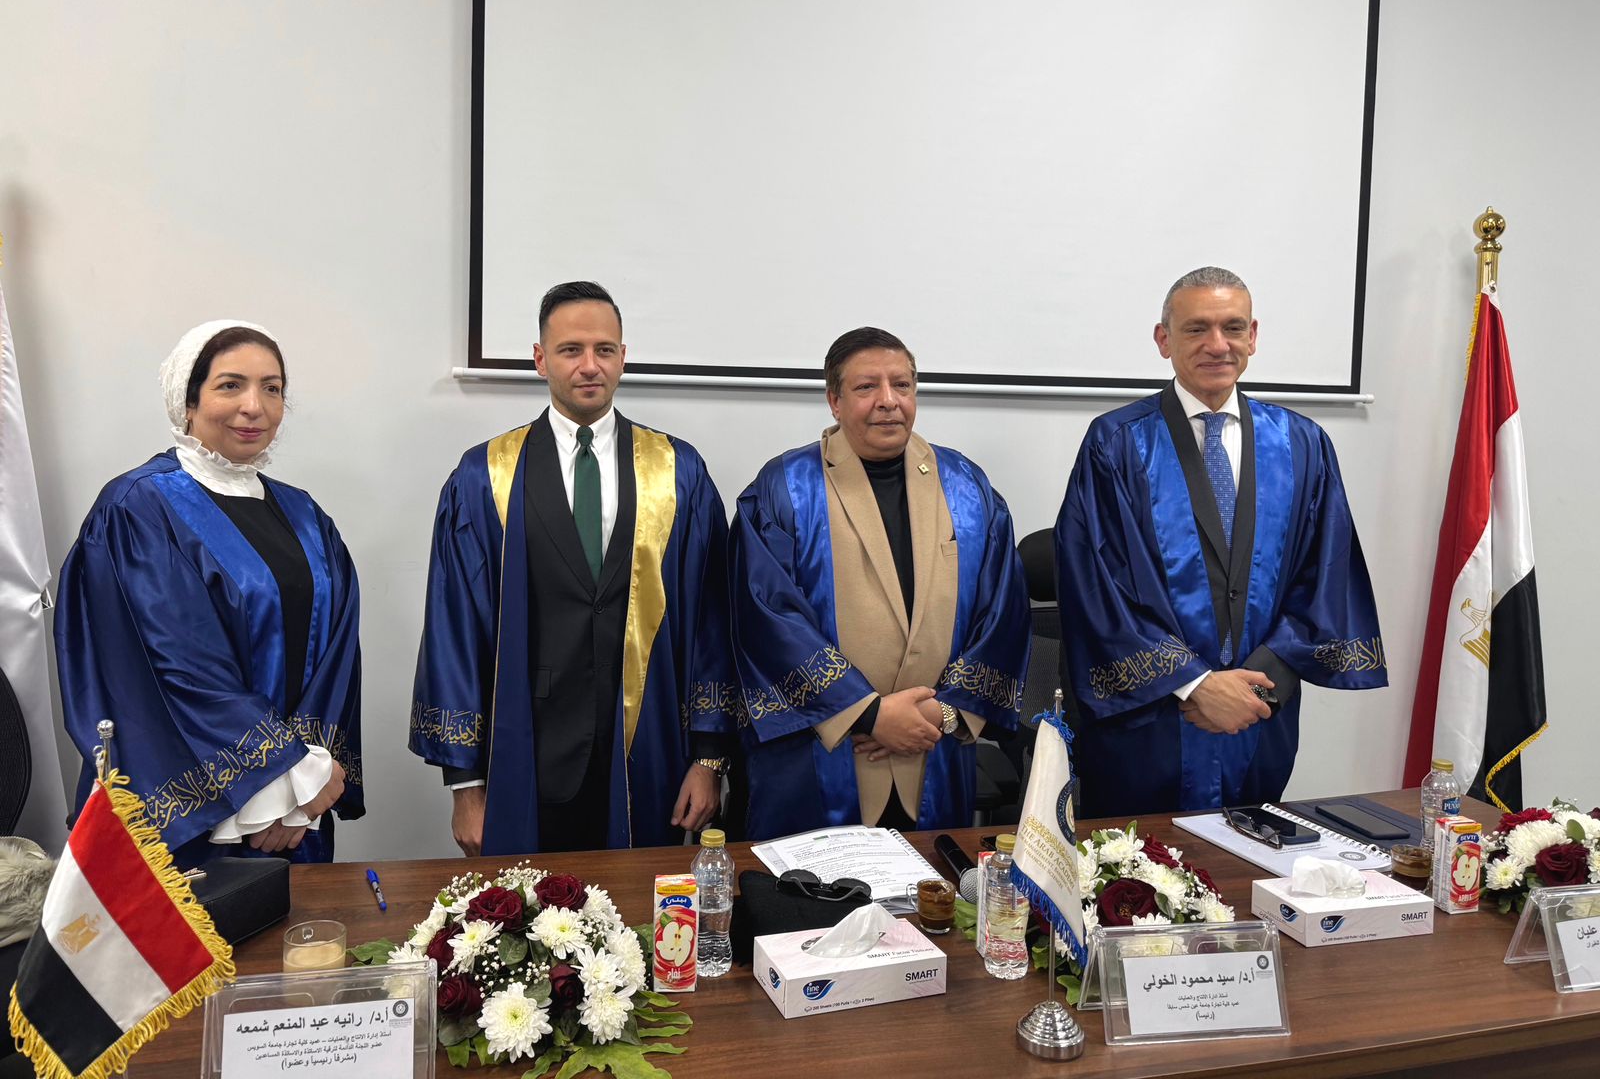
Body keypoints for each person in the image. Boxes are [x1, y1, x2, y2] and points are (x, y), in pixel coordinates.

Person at [410, 282, 737, 856]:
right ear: (540, 359)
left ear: (623, 357)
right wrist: (465, 785)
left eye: (604, 349)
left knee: (644, 903)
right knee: (538, 909)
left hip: (649, 748)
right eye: (570, 350)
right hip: (528, 753)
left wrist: (709, 758)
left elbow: (714, 620)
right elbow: (455, 628)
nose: (590, 366)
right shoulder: (485, 476)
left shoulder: (676, 471)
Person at [1056, 268, 1386, 817]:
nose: (1217, 345)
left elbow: (1326, 577)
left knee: (1249, 855)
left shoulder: (1302, 444)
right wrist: (1196, 685)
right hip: (1150, 724)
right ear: (1164, 340)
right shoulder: (1116, 443)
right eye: (1196, 329)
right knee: (1137, 863)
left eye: (1233, 328)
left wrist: (1256, 686)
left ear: (1252, 337)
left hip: (1258, 715)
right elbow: (1093, 586)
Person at [55, 321, 362, 868]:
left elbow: (336, 651)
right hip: (193, 809)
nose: (254, 406)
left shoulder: (305, 514)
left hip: (298, 807)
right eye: (230, 385)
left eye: (272, 388)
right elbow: (173, 663)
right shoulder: (138, 508)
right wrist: (277, 776)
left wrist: (306, 784)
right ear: (188, 401)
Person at [730, 327, 1028, 838]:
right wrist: (868, 715)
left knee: (932, 882)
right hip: (821, 758)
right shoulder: (784, 489)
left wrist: (944, 713)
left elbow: (1002, 610)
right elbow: (765, 616)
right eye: (867, 387)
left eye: (902, 385)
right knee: (814, 883)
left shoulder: (966, 486)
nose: (889, 401)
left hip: (932, 745)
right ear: (835, 400)